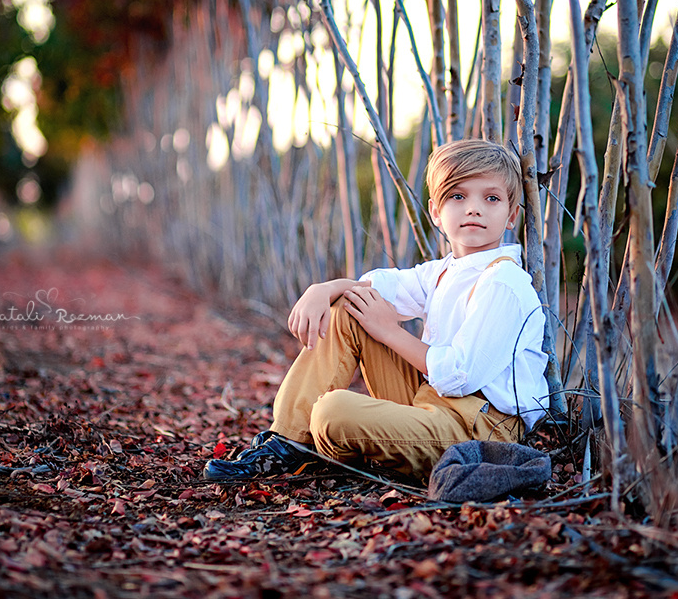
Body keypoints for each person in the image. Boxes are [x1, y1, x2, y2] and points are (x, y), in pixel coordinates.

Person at [204, 138, 549, 481]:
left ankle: (331, 440)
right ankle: (287, 443)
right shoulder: (446, 270)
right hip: (431, 402)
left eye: (491, 198)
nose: (474, 208)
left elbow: (461, 375)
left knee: (332, 411)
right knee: (348, 309)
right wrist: (324, 289)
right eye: (458, 196)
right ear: (435, 213)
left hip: (478, 428)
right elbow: (380, 288)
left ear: (511, 215)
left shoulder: (503, 282)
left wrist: (389, 331)